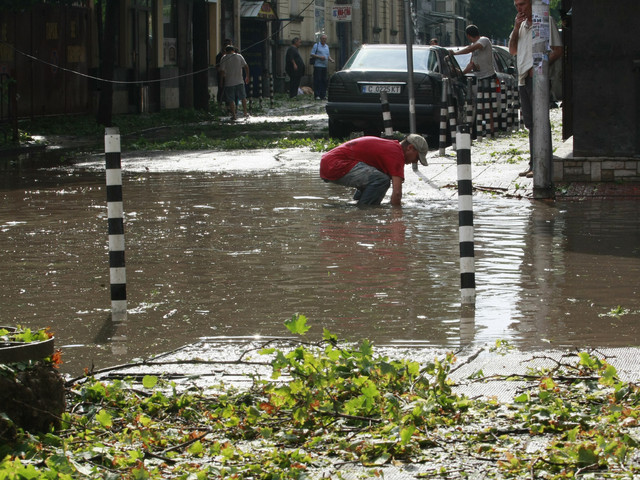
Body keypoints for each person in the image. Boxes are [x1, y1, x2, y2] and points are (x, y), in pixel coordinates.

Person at [509, 0, 562, 178]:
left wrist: (539, 67)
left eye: (523, 4)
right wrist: (516, 28)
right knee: (530, 124)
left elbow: (557, 49)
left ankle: (542, 163)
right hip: (523, 79)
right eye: (516, 6)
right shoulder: (522, 26)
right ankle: (534, 163)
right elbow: (513, 50)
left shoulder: (546, 21)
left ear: (532, 4)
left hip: (536, 78)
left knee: (541, 122)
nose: (520, 9)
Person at [320, 135, 429, 206]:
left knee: (378, 178)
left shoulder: (392, 148)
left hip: (329, 162)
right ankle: (365, 211)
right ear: (410, 148)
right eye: (417, 158)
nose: (415, 162)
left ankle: (358, 205)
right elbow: (397, 193)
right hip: (336, 164)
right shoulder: (396, 154)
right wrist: (397, 214)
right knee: (382, 180)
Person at [219, 45, 250, 121]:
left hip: (229, 83)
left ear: (226, 51)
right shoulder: (239, 56)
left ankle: (234, 115)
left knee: (231, 99)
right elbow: (246, 66)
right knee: (243, 97)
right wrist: (247, 76)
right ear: (233, 50)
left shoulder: (224, 58)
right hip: (239, 81)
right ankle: (245, 113)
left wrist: (221, 81)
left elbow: (222, 72)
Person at [310, 34, 334, 100]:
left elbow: (328, 55)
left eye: (325, 39)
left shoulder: (327, 46)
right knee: (318, 80)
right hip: (318, 65)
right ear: (320, 39)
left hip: (324, 66)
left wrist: (331, 59)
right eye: (323, 38)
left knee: (324, 80)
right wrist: (319, 57)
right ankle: (317, 95)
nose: (324, 40)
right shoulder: (316, 45)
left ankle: (323, 95)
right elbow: (312, 54)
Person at [215, 39, 232, 107]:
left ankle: (228, 106)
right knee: (221, 90)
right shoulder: (219, 56)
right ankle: (220, 105)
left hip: (230, 76)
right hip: (222, 76)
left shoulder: (232, 56)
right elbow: (218, 68)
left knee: (229, 91)